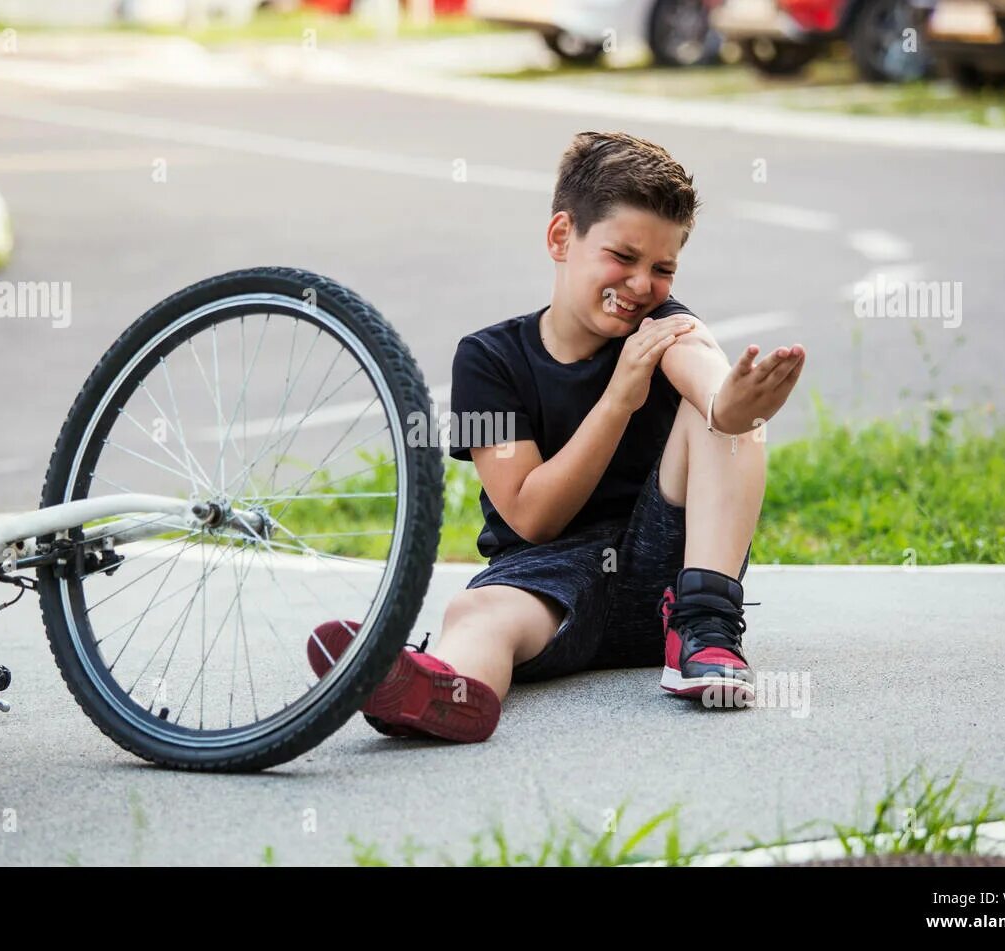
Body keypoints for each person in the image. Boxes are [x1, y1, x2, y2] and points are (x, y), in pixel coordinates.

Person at [307, 130, 806, 743]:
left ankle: (707, 629)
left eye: (663, 268)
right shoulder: (482, 360)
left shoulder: (667, 326)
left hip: (667, 578)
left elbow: (710, 381)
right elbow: (530, 518)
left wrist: (737, 404)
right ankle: (445, 694)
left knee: (725, 421)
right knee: (475, 611)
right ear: (561, 237)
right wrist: (619, 400)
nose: (642, 284)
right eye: (623, 257)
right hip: (545, 582)